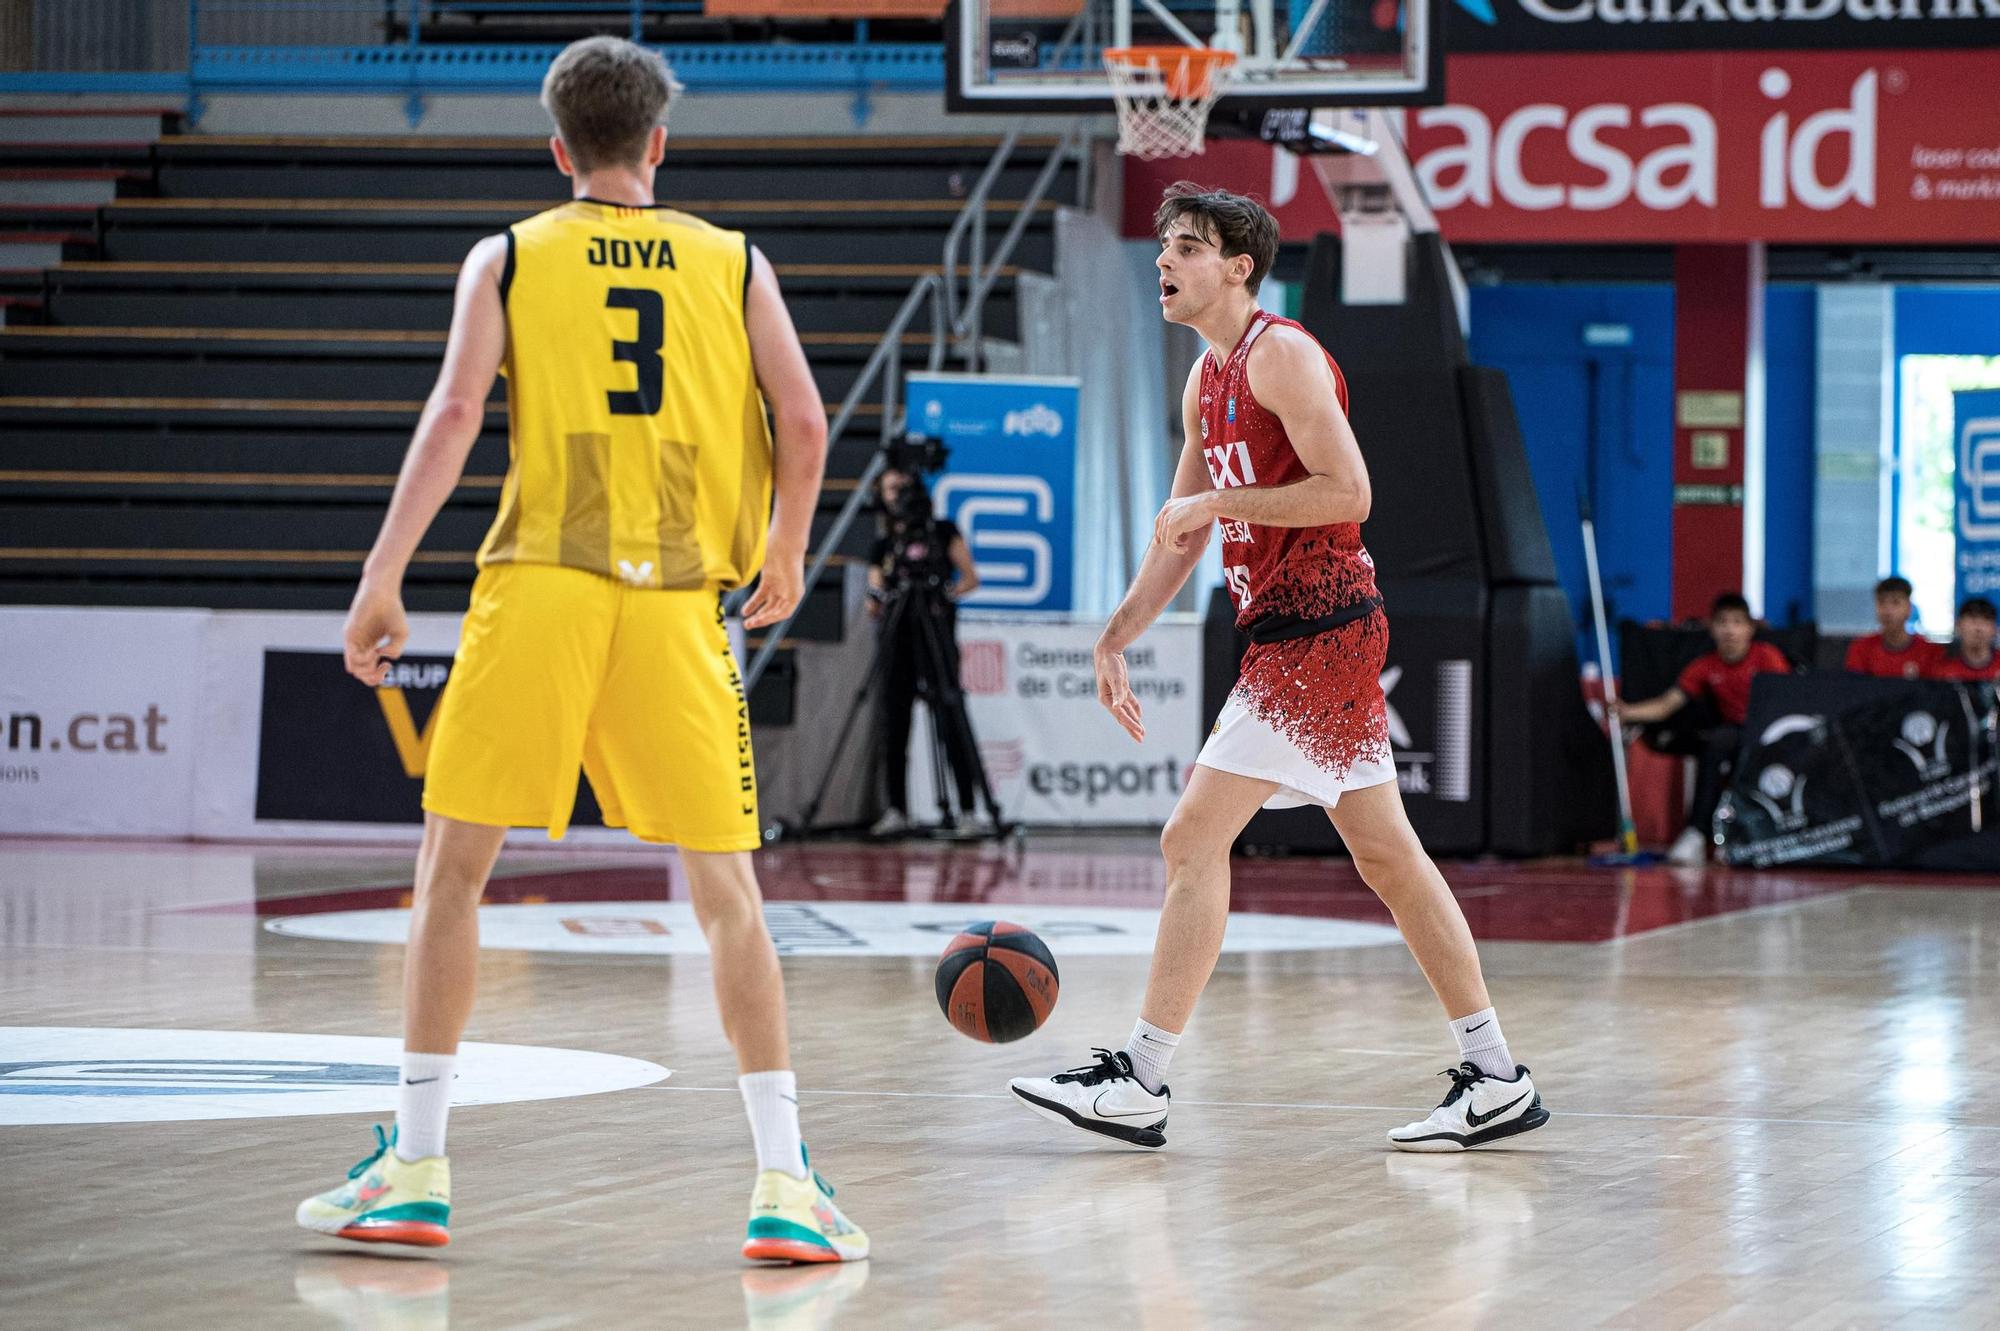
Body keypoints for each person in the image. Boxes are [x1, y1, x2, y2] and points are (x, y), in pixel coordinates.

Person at [296, 37, 867, 1264]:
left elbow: (454, 415)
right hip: (674, 605)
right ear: (658, 142)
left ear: (558, 149)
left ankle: (415, 1166)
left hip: (541, 587)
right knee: (727, 900)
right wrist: (786, 548)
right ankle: (782, 1181)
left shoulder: (508, 252)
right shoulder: (734, 259)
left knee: (453, 873)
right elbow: (807, 418)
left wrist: (380, 574)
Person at [1007, 184, 1548, 1154]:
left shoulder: (1281, 353)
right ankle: (1496, 1076)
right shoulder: (1201, 378)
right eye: (1162, 246)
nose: (1163, 262)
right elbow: (1175, 536)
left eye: (1183, 247)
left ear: (1237, 266)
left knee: (1188, 838)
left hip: (1321, 628)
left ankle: (1139, 1074)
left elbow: (1350, 490)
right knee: (1387, 856)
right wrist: (1114, 635)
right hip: (1287, 631)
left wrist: (1219, 506)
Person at [1613, 593, 1790, 866]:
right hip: (1732, 734)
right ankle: (1697, 832)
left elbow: (1787, 703)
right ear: (1712, 627)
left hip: (1770, 734)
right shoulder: (1704, 666)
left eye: (1737, 622)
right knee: (1716, 743)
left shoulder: (1768, 658)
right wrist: (1626, 712)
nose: (1730, 630)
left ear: (1750, 628)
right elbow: (1666, 705)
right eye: (1723, 622)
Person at [865, 466, 983, 838]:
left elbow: (969, 578)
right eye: (889, 488)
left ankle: (967, 810)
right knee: (894, 725)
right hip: (897, 641)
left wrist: (942, 595)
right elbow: (874, 597)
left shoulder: (943, 532)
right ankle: (896, 809)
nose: (897, 494)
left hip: (936, 640)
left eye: (902, 486)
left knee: (950, 719)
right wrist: (881, 596)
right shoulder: (883, 547)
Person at [1845, 575, 1938, 679]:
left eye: (1896, 602)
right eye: (1881, 602)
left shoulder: (1929, 652)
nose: (1887, 611)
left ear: (1909, 608)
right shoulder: (1861, 649)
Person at [1926, 597, 1999, 682]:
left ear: (1995, 629)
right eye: (1973, 620)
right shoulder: (1939, 665)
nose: (1978, 628)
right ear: (1958, 625)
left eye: (1986, 621)